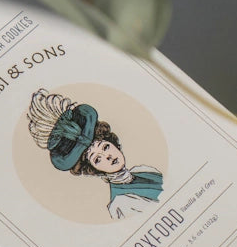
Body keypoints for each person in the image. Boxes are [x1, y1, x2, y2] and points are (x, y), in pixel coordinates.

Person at [26, 88, 163, 220]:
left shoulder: (145, 170)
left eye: (105, 147)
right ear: (93, 169)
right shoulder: (120, 205)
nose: (108, 156)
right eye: (97, 159)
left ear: (113, 143)